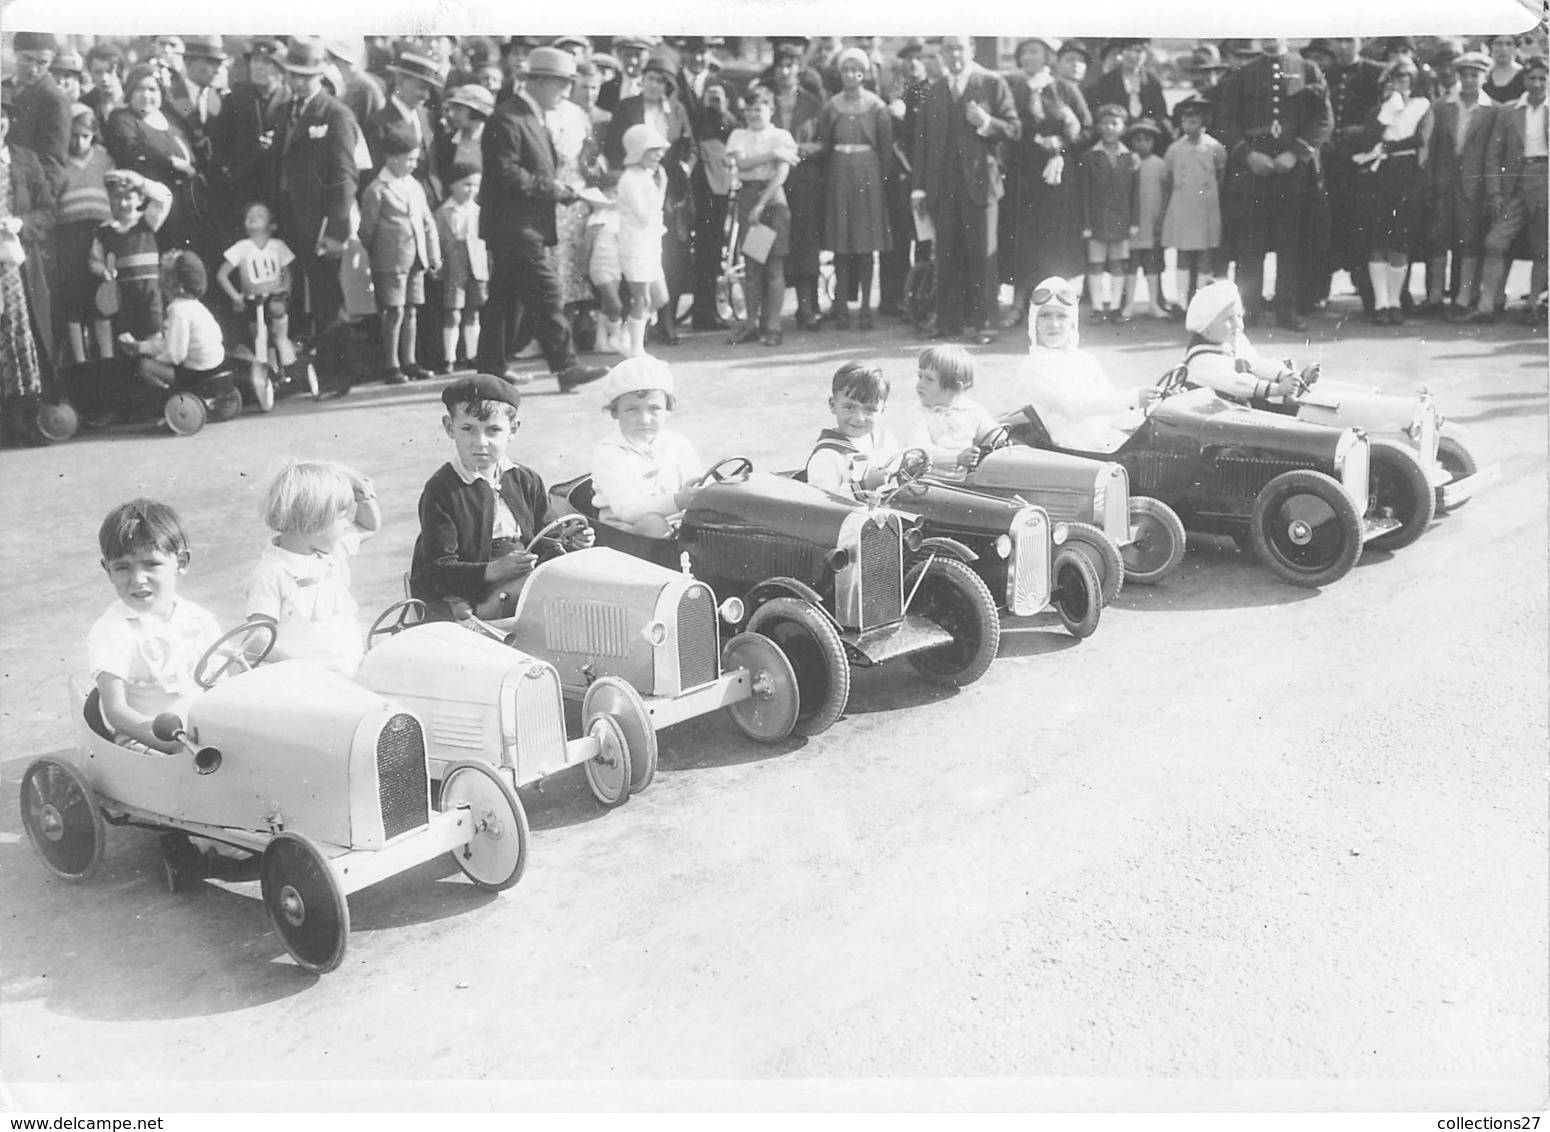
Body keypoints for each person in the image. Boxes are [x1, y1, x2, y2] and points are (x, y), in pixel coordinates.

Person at [409, 374, 595, 621]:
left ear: (513, 429)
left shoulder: (525, 480)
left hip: (520, 572)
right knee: (546, 596)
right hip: (467, 588)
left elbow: (546, 537)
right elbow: (438, 568)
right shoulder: (442, 489)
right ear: (449, 427)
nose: (481, 442)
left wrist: (571, 541)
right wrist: (495, 570)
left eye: (493, 430)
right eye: (468, 429)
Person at [476, 46, 608, 392]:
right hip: (515, 226)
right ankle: (566, 367)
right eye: (560, 84)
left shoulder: (527, 116)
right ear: (535, 82)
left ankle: (492, 368)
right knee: (547, 291)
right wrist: (551, 188)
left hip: (520, 224)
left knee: (505, 299)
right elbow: (505, 173)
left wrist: (554, 187)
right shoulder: (507, 118)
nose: (566, 92)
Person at [1214, 37, 1333, 331]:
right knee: (1249, 243)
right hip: (1253, 169)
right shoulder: (1242, 73)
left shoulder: (1307, 68)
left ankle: (1287, 308)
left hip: (1292, 170)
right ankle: (1248, 308)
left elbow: (1323, 118)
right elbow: (1224, 121)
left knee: (1290, 241)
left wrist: (1297, 153)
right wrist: (1247, 154)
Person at [88, 499, 222, 753]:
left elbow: (221, 686)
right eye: (123, 567)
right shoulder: (113, 630)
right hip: (146, 738)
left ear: (180, 563)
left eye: (151, 564)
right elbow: (116, 711)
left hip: (205, 731)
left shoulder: (200, 619)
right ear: (108, 570)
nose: (138, 579)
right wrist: (172, 744)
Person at [911, 34, 1020, 344]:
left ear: (971, 50)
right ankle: (948, 323)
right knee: (945, 256)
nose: (954, 53)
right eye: (948, 48)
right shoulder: (933, 91)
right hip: (942, 189)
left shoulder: (992, 83)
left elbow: (1014, 128)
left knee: (983, 255)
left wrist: (986, 122)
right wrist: (918, 190)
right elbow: (921, 144)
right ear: (942, 54)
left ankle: (986, 323)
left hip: (981, 186)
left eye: (959, 47)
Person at [277, 36, 364, 394]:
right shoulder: (286, 111)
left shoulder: (335, 113)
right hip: (291, 222)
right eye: (293, 75)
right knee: (297, 300)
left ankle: (339, 376)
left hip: (320, 226)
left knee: (329, 301)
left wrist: (336, 231)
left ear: (320, 74)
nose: (298, 82)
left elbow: (346, 177)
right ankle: (303, 375)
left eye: (306, 75)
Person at [246, 460, 381, 674]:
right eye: (340, 517)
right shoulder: (273, 572)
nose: (347, 524)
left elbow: (369, 526)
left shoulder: (330, 553)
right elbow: (256, 639)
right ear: (311, 521)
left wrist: (364, 497)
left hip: (349, 666)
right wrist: (303, 664)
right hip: (307, 679)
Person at [1000, 276, 1155, 451]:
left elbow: (1113, 411)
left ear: (1072, 321)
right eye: (1045, 315)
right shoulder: (1034, 366)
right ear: (1034, 320)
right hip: (1064, 454)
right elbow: (1071, 405)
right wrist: (1133, 398)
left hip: (1099, 443)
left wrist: (1152, 409)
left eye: (1062, 316)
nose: (1054, 324)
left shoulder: (1085, 360)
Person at [1006, 36, 1092, 322]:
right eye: (1024, 53)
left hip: (1058, 177)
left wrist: (1066, 137)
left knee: (1055, 240)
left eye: (1035, 52)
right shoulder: (1012, 88)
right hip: (1024, 173)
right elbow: (1007, 128)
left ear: (1048, 57)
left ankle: (1055, 305)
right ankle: (1018, 305)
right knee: (1023, 237)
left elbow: (1088, 131)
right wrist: (1033, 141)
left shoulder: (1064, 89)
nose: (1029, 58)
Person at [1463, 54, 1549, 324]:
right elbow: (1493, 154)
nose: (1536, 84)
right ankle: (1488, 303)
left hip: (1545, 182)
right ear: (1524, 80)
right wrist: (1495, 192)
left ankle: (1534, 304)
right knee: (1494, 242)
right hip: (1514, 184)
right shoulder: (1510, 110)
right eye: (1532, 78)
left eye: (1542, 79)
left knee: (1542, 248)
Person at [815, 47, 895, 330]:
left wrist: (876, 181)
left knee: (865, 245)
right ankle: (841, 310)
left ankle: (864, 310)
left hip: (867, 175)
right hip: (839, 174)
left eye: (855, 69)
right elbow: (823, 143)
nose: (850, 75)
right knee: (841, 244)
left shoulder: (877, 106)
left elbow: (885, 150)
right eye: (845, 69)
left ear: (864, 73)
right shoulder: (831, 105)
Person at [1309, 37, 1386, 318]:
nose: (1343, 47)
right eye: (1338, 41)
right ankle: (1317, 293)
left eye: (1349, 41)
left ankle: (1369, 296)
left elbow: (1386, 113)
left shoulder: (1377, 72)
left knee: (1362, 228)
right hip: (1329, 160)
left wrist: (1361, 133)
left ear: (1361, 42)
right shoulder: (1322, 72)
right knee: (1325, 224)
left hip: (1361, 161)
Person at [360, 119, 442, 383]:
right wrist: (375, 257)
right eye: (408, 160)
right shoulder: (377, 190)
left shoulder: (414, 186)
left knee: (412, 311)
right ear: (390, 158)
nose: (413, 165)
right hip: (390, 261)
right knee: (393, 311)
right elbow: (367, 230)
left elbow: (428, 223)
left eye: (416, 160)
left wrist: (433, 255)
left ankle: (410, 360)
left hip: (416, 258)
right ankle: (391, 364)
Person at [1350, 58, 1431, 325]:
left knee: (1400, 241)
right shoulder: (1381, 109)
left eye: (1407, 76)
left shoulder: (1423, 107)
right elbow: (1367, 139)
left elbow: (1421, 139)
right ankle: (1381, 303)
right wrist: (1386, 115)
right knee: (1378, 240)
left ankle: (1395, 301)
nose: (1402, 82)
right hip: (1381, 177)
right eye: (1397, 77)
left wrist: (1389, 146)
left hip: (1407, 175)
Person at [590, 356, 704, 539]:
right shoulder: (609, 452)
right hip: (626, 530)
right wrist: (678, 501)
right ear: (615, 412)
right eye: (632, 409)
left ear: (667, 409)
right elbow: (626, 510)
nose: (644, 419)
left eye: (654, 408)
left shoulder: (678, 443)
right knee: (654, 525)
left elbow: (699, 483)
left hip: (679, 524)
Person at [1426, 52, 1499, 318]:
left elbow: (1492, 153)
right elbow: (1432, 149)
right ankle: (1434, 296)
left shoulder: (1493, 110)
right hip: (1444, 182)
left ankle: (1464, 296)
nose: (1468, 80)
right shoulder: (1442, 106)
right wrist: (1431, 182)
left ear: (1485, 77)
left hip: (1473, 185)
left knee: (1469, 241)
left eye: (1475, 75)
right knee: (1438, 238)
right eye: (1464, 74)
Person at [724, 83, 795, 346]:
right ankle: (752, 322)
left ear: (771, 109)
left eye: (759, 109)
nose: (754, 114)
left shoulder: (781, 136)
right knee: (752, 266)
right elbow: (740, 164)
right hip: (748, 195)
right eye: (750, 109)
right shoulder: (739, 136)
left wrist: (761, 205)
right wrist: (771, 155)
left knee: (775, 267)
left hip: (772, 202)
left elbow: (781, 174)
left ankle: (773, 325)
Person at [104, 63, 199, 252]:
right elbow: (133, 151)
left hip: (186, 205)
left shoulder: (173, 120)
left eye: (152, 89)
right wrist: (173, 162)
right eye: (139, 89)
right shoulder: (123, 119)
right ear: (130, 91)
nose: (146, 95)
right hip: (152, 208)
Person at [765, 43, 826, 330]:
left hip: (803, 182)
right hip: (770, 183)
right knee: (767, 245)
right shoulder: (764, 100)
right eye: (780, 65)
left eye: (791, 65)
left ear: (799, 69)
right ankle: (766, 313)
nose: (785, 71)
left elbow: (825, 143)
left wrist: (796, 149)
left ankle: (807, 307)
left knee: (805, 245)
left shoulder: (813, 103)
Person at [1, 88, 52, 425]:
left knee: (19, 332)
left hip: (16, 263)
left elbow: (48, 212)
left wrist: (19, 223)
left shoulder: (25, 160)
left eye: (1, 115)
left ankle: (25, 415)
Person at [1175, 278, 1310, 403]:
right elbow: (1236, 383)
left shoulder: (1234, 340)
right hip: (1208, 412)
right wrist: (1277, 389)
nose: (1237, 325)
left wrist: (1285, 374)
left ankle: (1295, 386)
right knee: (1250, 399)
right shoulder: (1202, 360)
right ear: (1206, 327)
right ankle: (1286, 403)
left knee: (1252, 373)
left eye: (1239, 316)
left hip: (1234, 401)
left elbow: (1256, 363)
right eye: (1228, 319)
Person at [56, 104, 116, 366]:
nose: (78, 141)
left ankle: (107, 359)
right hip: (69, 235)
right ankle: (80, 361)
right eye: (73, 134)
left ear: (93, 134)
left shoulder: (103, 157)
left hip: (99, 233)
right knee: (74, 296)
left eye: (85, 135)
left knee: (101, 296)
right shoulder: (58, 161)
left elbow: (115, 191)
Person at [118, 249, 225, 392]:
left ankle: (166, 396)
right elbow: (171, 343)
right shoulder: (196, 306)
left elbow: (175, 355)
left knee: (145, 366)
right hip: (215, 367)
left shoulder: (177, 310)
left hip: (197, 374)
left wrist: (156, 360)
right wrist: (140, 347)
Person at [216, 200, 298, 377]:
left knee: (279, 329)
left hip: (275, 298)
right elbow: (222, 275)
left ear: (272, 225)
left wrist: (286, 289)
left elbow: (287, 272)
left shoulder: (278, 246)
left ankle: (291, 367)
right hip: (253, 301)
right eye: (249, 216)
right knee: (260, 336)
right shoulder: (241, 248)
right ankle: (269, 370)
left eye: (259, 216)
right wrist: (235, 296)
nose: (253, 218)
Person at [92, 169, 173, 345]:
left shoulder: (148, 221)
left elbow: (165, 197)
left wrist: (141, 182)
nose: (122, 203)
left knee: (155, 339)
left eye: (128, 198)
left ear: (140, 199)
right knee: (127, 343)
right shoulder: (104, 230)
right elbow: (94, 260)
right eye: (117, 198)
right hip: (123, 296)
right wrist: (102, 270)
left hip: (150, 294)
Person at [1160, 97, 1227, 308]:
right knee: (1183, 253)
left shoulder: (1214, 147)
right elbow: (1168, 178)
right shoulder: (1175, 149)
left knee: (1206, 252)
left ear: (1204, 123)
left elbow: (1221, 174)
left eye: (1194, 121)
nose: (1189, 126)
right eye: (1185, 121)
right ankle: (1182, 304)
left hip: (1206, 207)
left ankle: (1201, 302)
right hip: (1182, 205)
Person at [1078, 104, 1141, 322]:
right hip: (1097, 220)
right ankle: (1097, 307)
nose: (1109, 128)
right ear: (1098, 127)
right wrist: (1086, 223)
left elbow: (1136, 193)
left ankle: (1115, 307)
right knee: (1095, 263)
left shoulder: (1130, 157)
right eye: (1105, 123)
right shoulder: (1089, 157)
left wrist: (1134, 221)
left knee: (1117, 263)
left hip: (1121, 220)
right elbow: (1084, 192)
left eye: (1114, 123)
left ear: (1123, 127)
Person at [804, 360, 903, 494]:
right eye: (849, 407)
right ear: (833, 405)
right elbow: (823, 504)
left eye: (870, 410)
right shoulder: (827, 455)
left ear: (882, 411)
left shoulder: (884, 439)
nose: (859, 418)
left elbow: (896, 473)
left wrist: (910, 466)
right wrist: (864, 486)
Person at [898, 343, 1000, 474]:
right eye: (920, 376)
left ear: (955, 387)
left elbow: (993, 434)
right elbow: (920, 450)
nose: (920, 384)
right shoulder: (917, 414)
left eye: (929, 379)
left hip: (964, 481)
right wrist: (956, 458)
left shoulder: (971, 410)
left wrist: (1001, 441)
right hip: (930, 483)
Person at [615, 123, 671, 358]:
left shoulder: (647, 175)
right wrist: (662, 189)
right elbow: (644, 217)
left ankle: (624, 334)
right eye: (652, 150)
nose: (659, 155)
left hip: (650, 246)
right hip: (635, 245)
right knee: (642, 297)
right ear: (638, 151)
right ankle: (636, 350)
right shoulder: (629, 180)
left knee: (660, 298)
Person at [364, 48, 444, 203]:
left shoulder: (427, 116)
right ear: (400, 81)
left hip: (431, 203)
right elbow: (374, 174)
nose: (426, 96)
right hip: (397, 206)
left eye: (429, 89)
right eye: (421, 87)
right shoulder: (378, 122)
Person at [434, 162, 488, 373]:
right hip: (454, 266)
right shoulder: (442, 213)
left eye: (476, 186)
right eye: (467, 185)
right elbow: (436, 241)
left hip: (476, 265)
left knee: (473, 311)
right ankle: (450, 358)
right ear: (453, 185)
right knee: (453, 312)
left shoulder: (479, 211)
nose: (472, 190)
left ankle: (472, 355)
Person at [5, 31, 72, 178]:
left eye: (42, 63)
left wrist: (41, 199)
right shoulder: (4, 89)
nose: (33, 69)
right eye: (27, 59)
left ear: (51, 61)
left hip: (29, 190)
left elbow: (54, 164)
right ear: (15, 53)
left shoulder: (54, 100)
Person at [1125, 117, 1171, 319]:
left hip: (1152, 222)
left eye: (1147, 139)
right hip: (1134, 224)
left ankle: (1153, 303)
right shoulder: (1127, 162)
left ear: (1153, 142)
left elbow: (1166, 194)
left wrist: (1161, 218)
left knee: (1153, 264)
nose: (1142, 143)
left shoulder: (1160, 165)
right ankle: (1128, 305)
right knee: (1132, 264)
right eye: (1137, 139)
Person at [1087, 39, 1172, 147]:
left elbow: (1160, 111)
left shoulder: (1152, 80)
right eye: (1128, 50)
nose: (1133, 55)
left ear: (1145, 55)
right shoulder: (1107, 80)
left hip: (1146, 134)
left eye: (1138, 51)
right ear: (1122, 53)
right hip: (1117, 134)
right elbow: (1099, 111)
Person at [581, 186, 626, 354]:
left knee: (606, 305)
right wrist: (583, 269)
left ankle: (600, 343)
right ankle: (615, 338)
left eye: (617, 192)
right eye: (611, 192)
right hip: (600, 265)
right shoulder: (597, 217)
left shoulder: (619, 217)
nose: (615, 196)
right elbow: (586, 245)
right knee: (616, 305)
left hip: (616, 265)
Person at [1483, 34, 1525, 104]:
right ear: (1491, 46)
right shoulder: (1484, 74)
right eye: (1498, 43)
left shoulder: (1524, 74)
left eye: (1509, 44)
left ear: (1516, 47)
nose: (1503, 49)